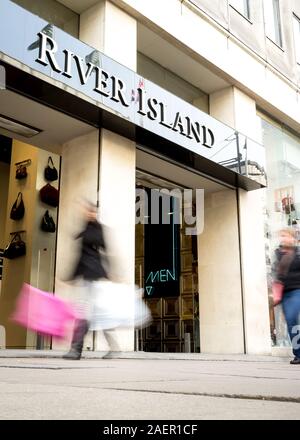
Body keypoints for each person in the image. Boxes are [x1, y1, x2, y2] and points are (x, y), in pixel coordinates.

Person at [63, 202, 119, 360]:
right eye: (86, 211)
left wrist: (111, 272)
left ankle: (76, 349)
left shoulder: (96, 229)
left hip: (94, 276)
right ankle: (113, 347)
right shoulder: (87, 229)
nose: (88, 213)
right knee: (95, 313)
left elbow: (105, 251)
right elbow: (80, 257)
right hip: (88, 275)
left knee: (85, 313)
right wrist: (70, 277)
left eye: (91, 211)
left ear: (95, 213)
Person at [273, 228, 300, 365]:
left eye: (286, 236)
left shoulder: (298, 253)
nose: (284, 238)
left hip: (297, 290)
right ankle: (298, 354)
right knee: (291, 322)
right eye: (282, 236)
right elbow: (276, 274)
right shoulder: (278, 254)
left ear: (293, 238)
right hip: (285, 293)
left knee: (293, 318)